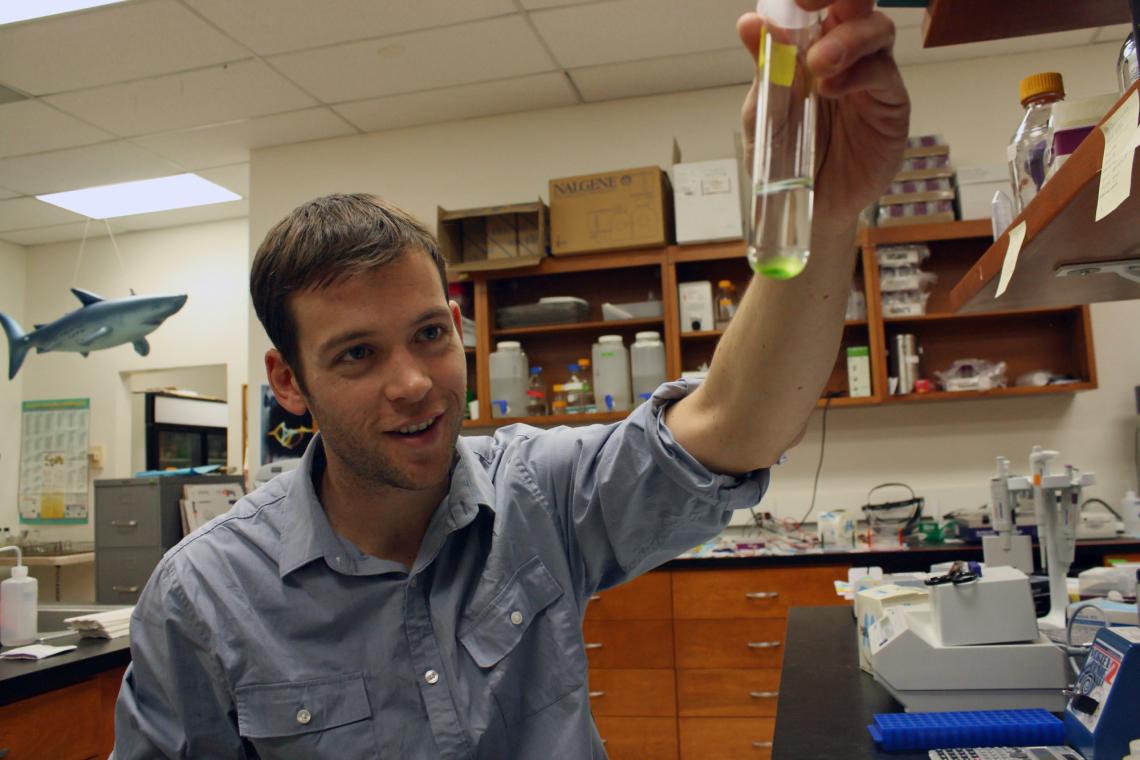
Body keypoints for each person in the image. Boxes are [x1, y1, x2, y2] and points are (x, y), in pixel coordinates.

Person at [112, 1, 908, 757]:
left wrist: (824, 213)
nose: (415, 383)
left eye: (429, 334)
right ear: (289, 382)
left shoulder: (537, 495)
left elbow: (734, 426)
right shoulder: (203, 597)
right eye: (357, 355)